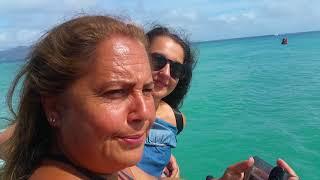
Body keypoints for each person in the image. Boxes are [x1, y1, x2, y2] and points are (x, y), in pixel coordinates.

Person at [1, 15, 156, 180]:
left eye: (147, 90)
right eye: (115, 92)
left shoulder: (105, 166)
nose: (145, 113)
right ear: (53, 107)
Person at [136, 26, 196, 178]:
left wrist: (164, 155)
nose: (166, 73)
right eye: (157, 60)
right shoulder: (114, 113)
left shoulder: (176, 120)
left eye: (176, 69)